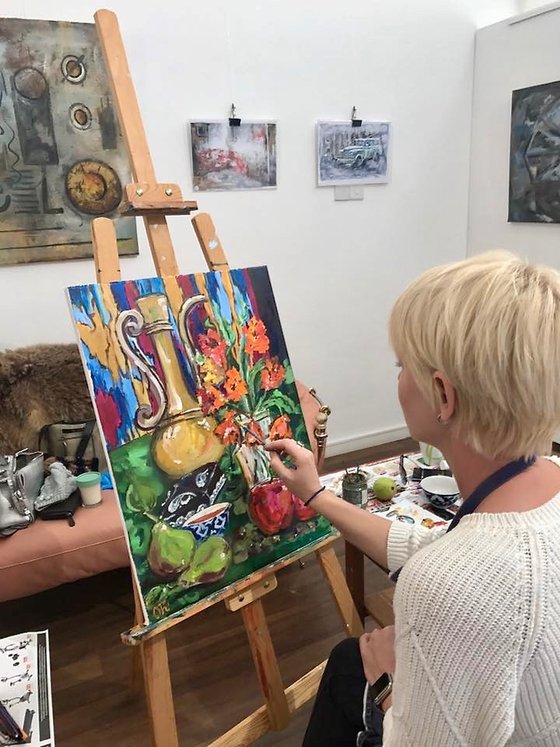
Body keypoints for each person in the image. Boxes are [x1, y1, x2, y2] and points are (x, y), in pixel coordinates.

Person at [266, 251, 560, 746]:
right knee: (346, 659)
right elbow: (434, 554)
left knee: (348, 666)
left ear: (443, 396)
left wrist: (386, 684)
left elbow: (454, 576)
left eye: (402, 365)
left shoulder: (452, 583)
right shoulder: (541, 484)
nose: (398, 379)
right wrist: (316, 493)